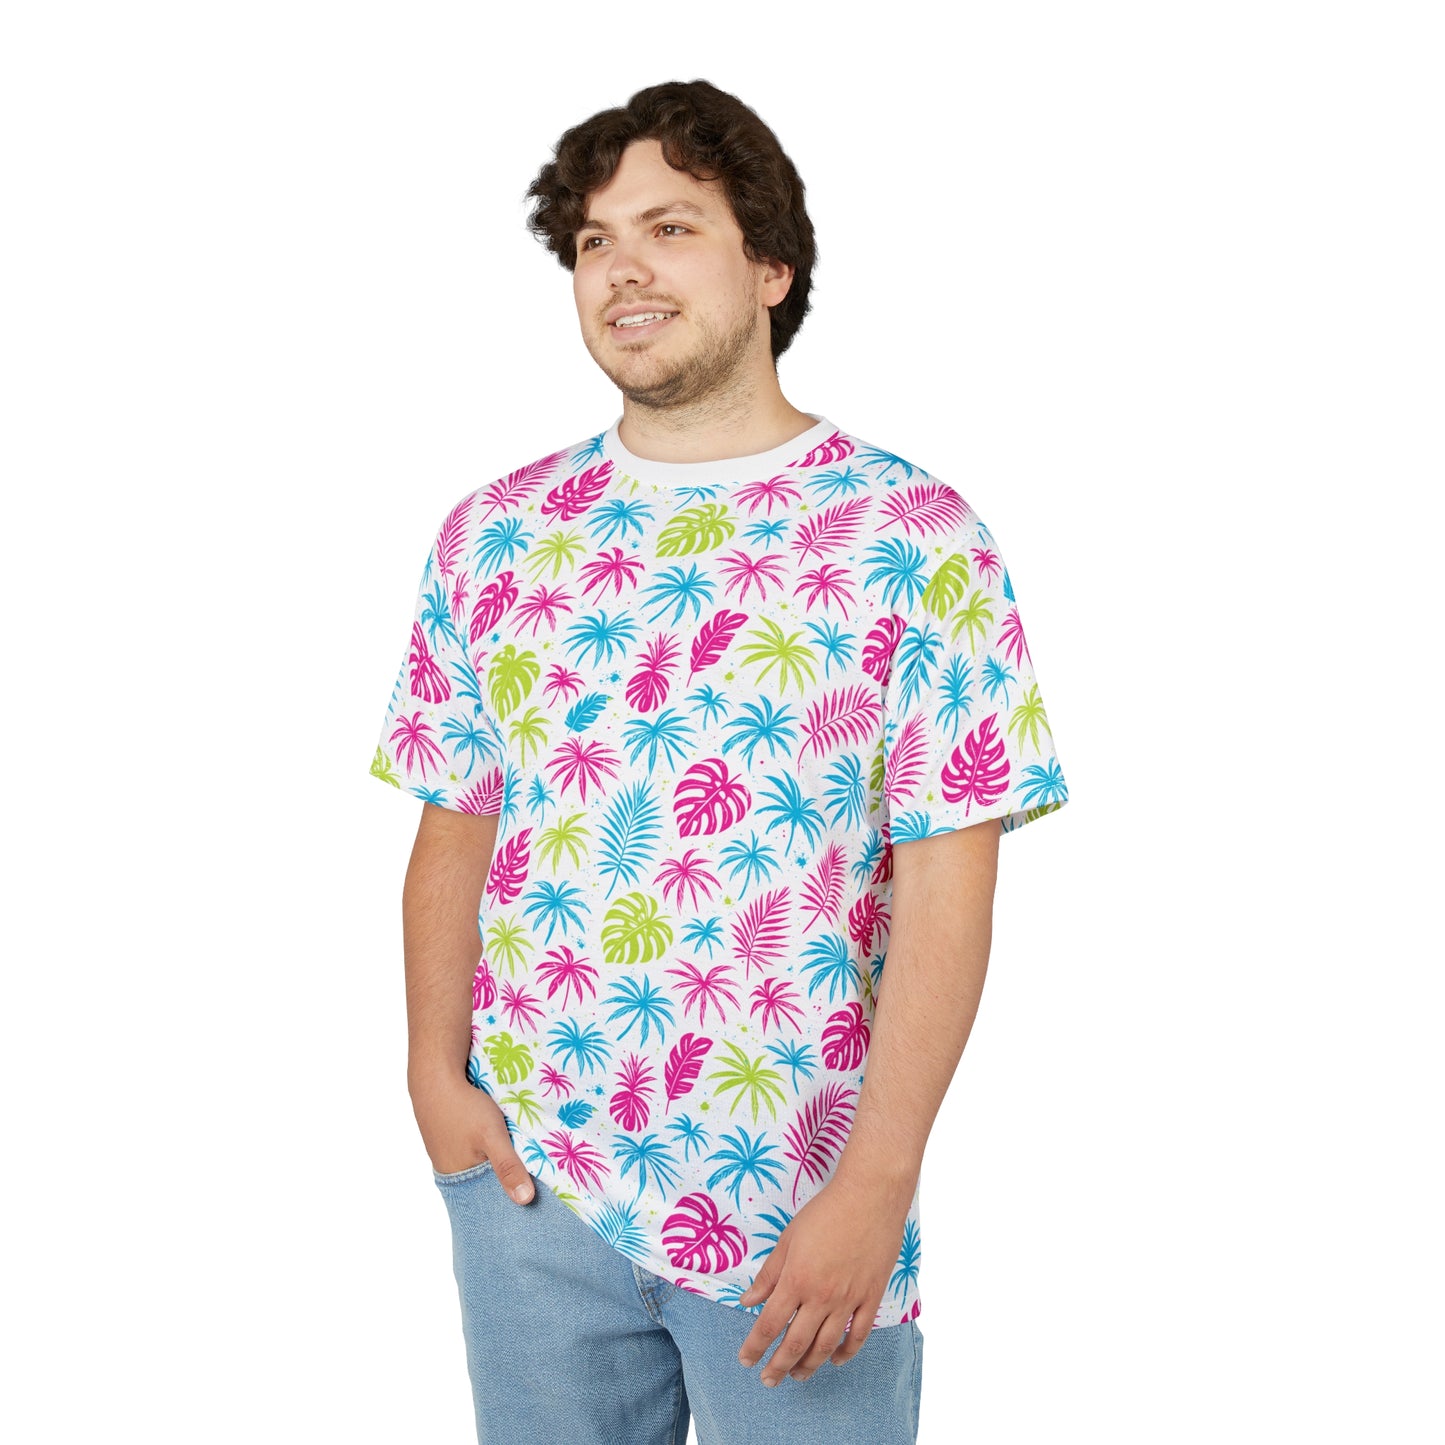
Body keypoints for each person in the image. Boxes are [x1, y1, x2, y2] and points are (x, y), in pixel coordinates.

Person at [369, 78, 1069, 1444]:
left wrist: (877, 1182)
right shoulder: (497, 532)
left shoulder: (914, 536)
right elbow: (456, 818)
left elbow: (948, 877)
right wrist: (431, 1081)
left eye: (670, 228)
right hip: (529, 1186)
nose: (622, 267)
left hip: (800, 1198)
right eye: (593, 241)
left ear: (770, 266)